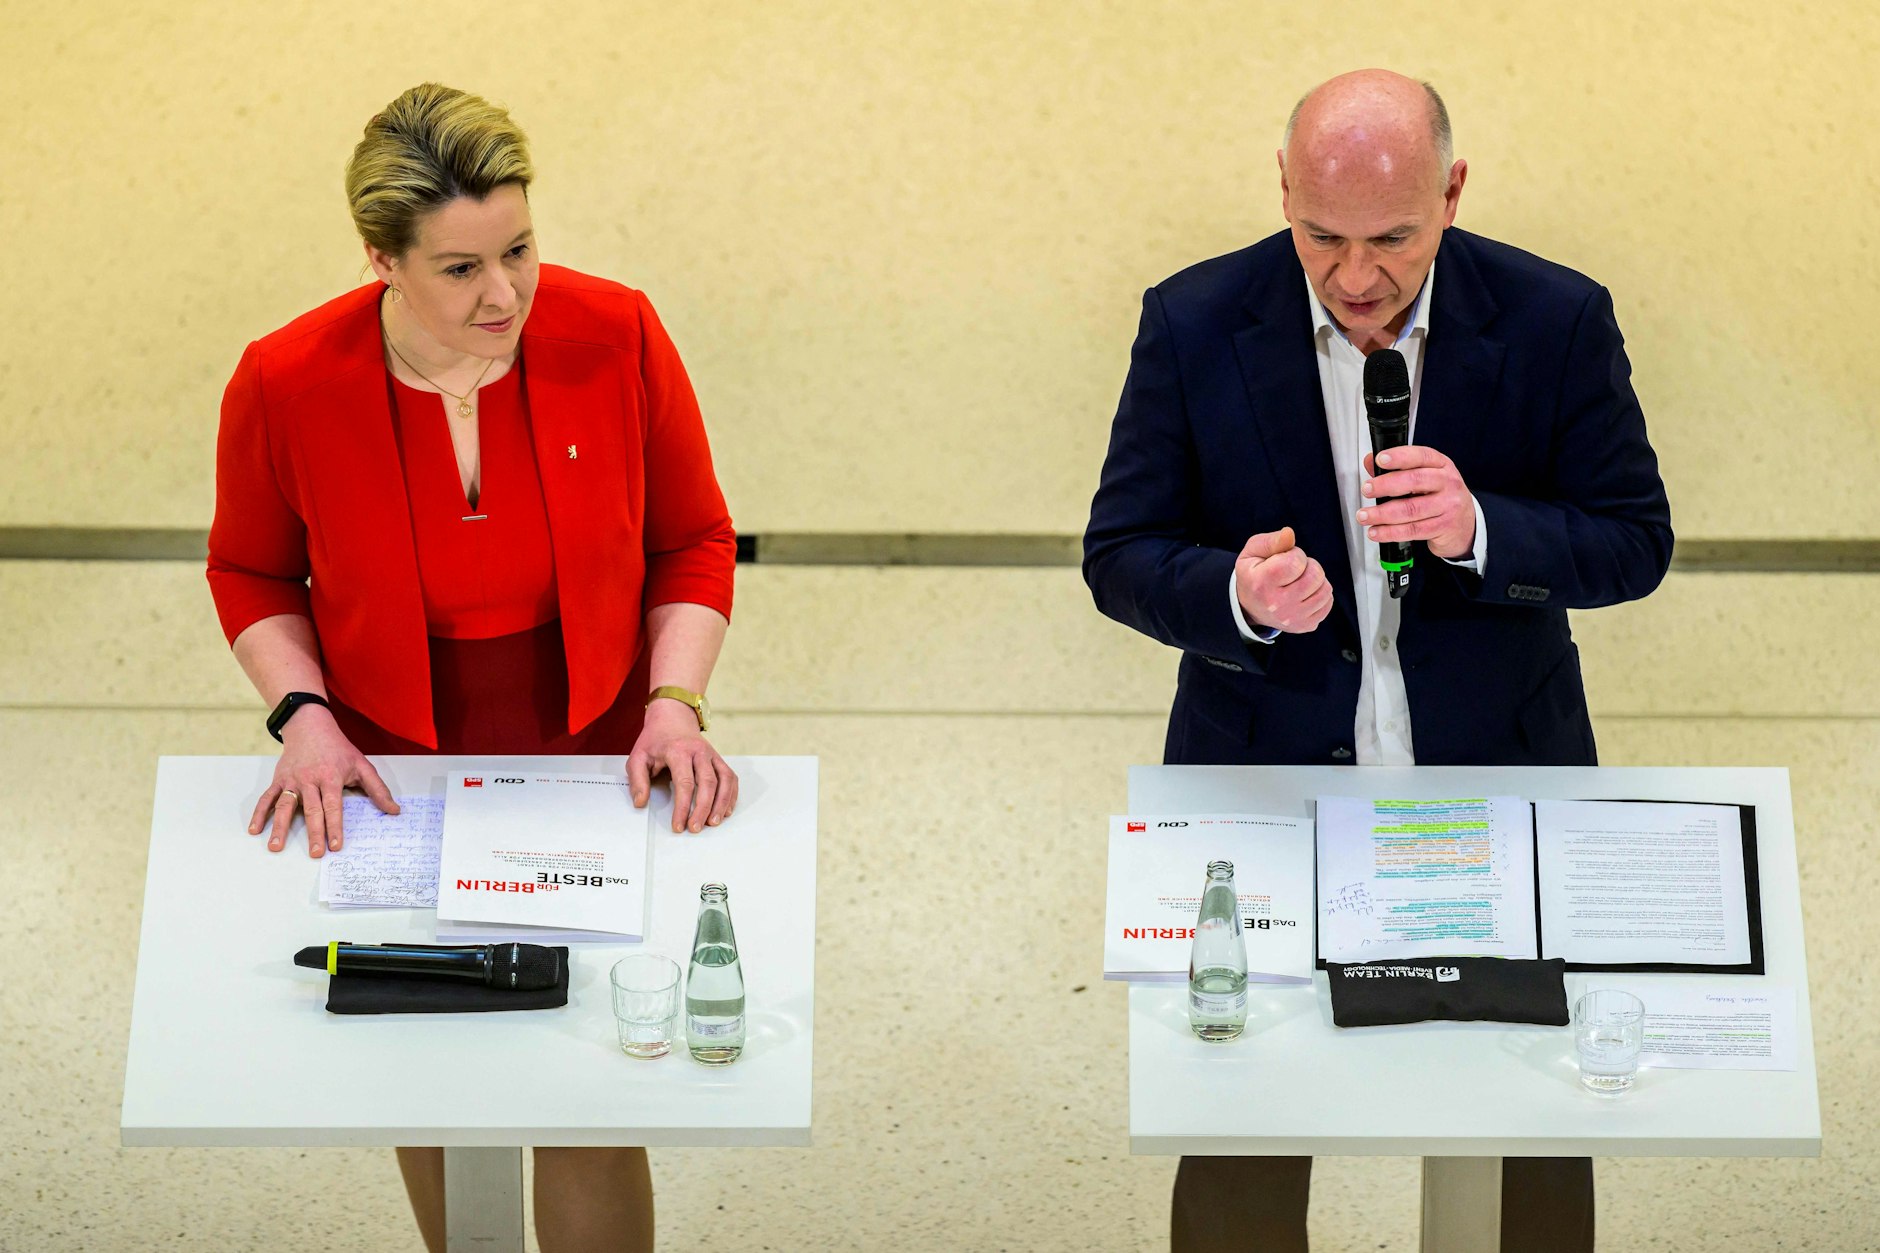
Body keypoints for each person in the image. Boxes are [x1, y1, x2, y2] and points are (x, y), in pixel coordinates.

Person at [1083, 69, 1673, 1252]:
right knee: (1242, 1134)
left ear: (1450, 194)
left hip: (1493, 769)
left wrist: (1480, 528)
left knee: (1522, 1143)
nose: (1355, 277)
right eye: (1321, 236)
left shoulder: (1554, 317)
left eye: (1393, 237)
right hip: (1263, 778)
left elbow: (1633, 540)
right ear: (1282, 197)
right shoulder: (1194, 318)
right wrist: (1235, 597)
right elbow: (1120, 550)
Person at [206, 82, 738, 1253]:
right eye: (458, 270)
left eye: (520, 250)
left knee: (587, 1083)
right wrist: (303, 714)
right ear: (379, 262)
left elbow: (690, 537)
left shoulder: (618, 331)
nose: (504, 294)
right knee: (433, 1068)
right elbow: (249, 570)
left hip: (592, 734)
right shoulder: (285, 379)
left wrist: (673, 702)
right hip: (393, 751)